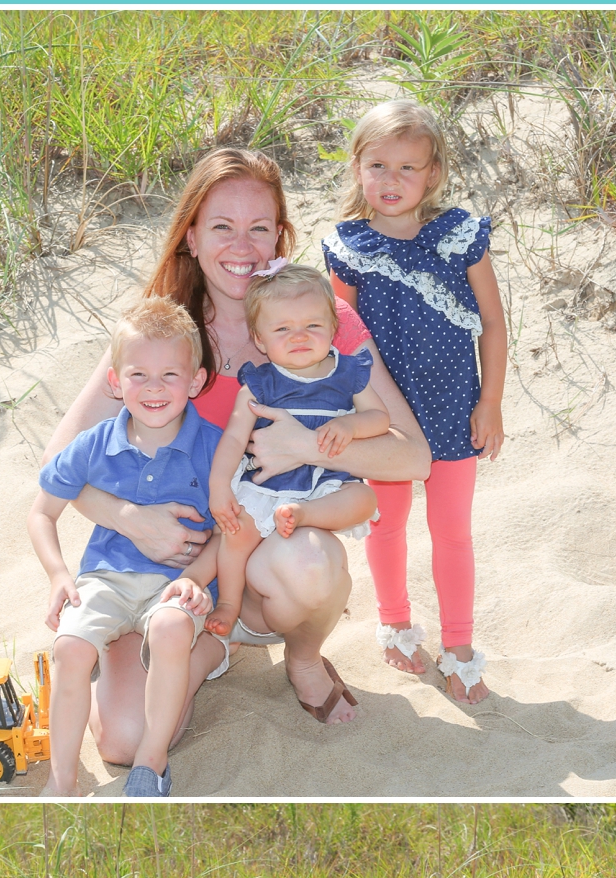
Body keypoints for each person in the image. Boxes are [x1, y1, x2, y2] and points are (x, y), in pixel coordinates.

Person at [41, 147, 432, 753]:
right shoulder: (161, 335)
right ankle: (198, 645)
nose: (242, 247)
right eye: (222, 227)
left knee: (312, 562)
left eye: (259, 228)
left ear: (280, 236)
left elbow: (413, 457)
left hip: (261, 560)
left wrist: (311, 446)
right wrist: (130, 519)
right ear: (191, 237)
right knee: (124, 742)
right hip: (159, 573)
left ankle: (298, 658)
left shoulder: (318, 320)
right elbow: (57, 461)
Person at [323, 100, 508, 707]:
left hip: (456, 406)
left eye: (408, 166)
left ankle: (459, 648)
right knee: (388, 521)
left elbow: (493, 325)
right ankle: (395, 622)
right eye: (378, 164)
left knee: (452, 530)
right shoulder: (348, 248)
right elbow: (339, 341)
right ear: (356, 169)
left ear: (432, 173)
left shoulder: (458, 237)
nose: (392, 180)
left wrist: (492, 402)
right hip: (384, 419)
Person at [28, 296, 222, 798]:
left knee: (173, 625)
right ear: (115, 382)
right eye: (138, 375)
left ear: (197, 380)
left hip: (175, 583)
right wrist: (57, 573)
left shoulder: (215, 445)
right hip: (106, 579)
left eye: (170, 376)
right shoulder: (93, 444)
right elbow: (41, 512)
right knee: (70, 648)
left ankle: (151, 765)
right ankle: (62, 781)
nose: (153, 389)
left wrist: (196, 578)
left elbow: (232, 530)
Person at [195, 263, 388, 646]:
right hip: (269, 484)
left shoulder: (348, 373)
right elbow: (234, 439)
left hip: (325, 485)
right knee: (236, 532)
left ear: (333, 327)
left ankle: (304, 516)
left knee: (365, 498)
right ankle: (230, 603)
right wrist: (219, 486)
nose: (299, 337)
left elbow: (379, 418)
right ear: (261, 339)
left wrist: (350, 426)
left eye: (312, 326)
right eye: (282, 329)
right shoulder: (260, 383)